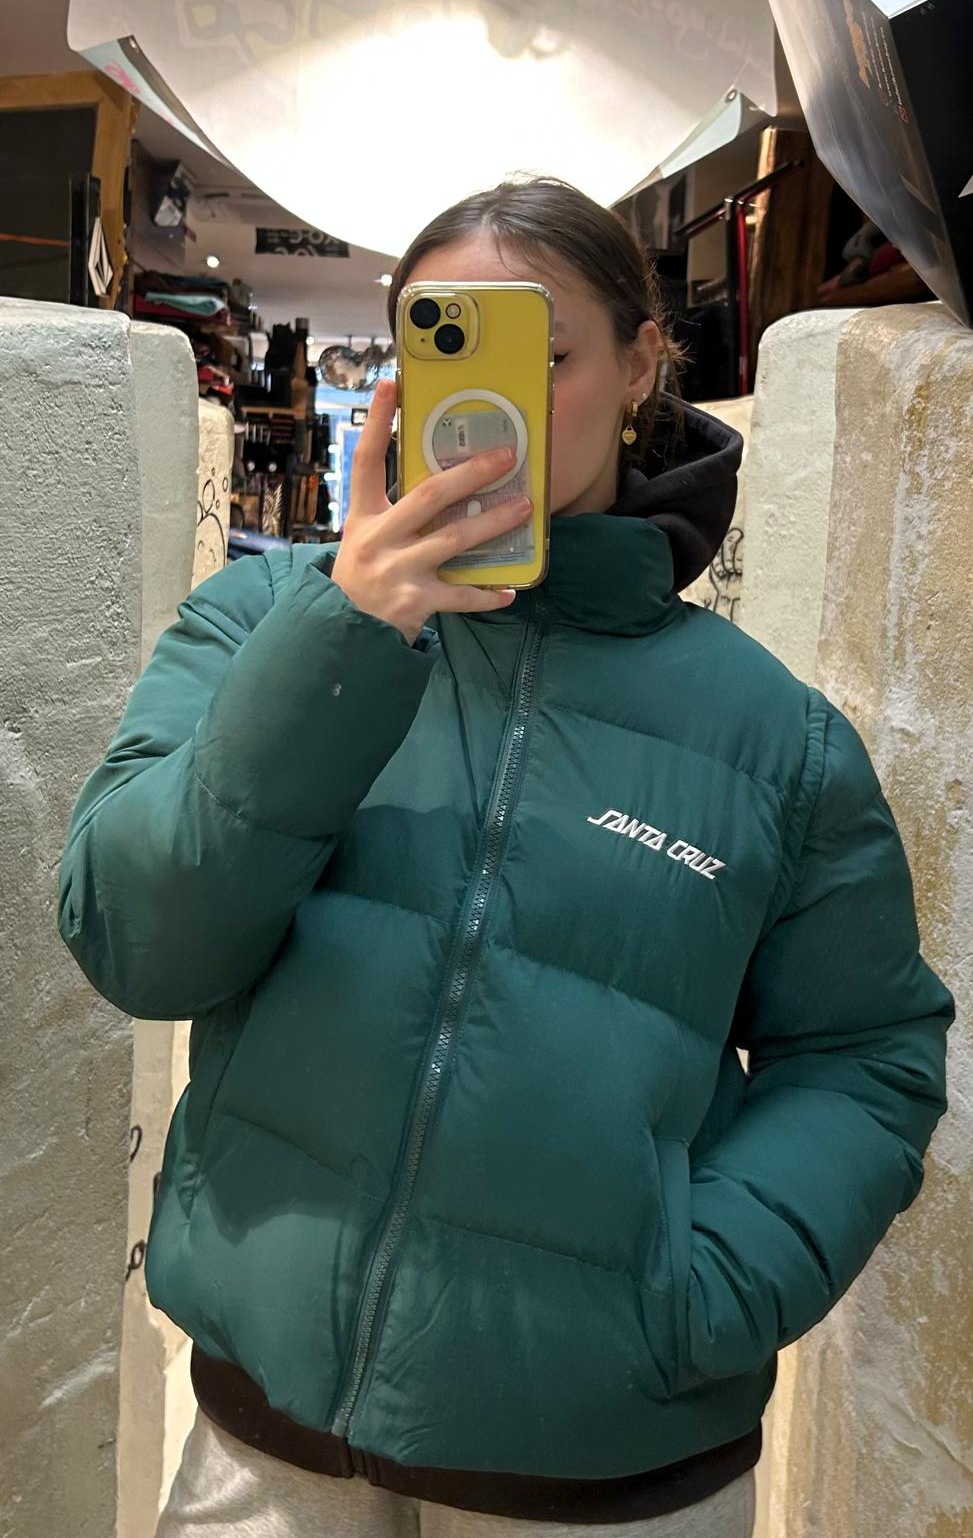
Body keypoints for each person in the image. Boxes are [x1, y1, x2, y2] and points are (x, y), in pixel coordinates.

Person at [58, 178, 954, 1538]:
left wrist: (703, 1288)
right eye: (444, 346)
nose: (492, 404)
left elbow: (867, 1055)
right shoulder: (260, 624)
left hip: (610, 1478)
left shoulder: (776, 736)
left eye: (544, 353)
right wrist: (342, 642)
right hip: (265, 1448)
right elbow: (140, 944)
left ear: (641, 365)